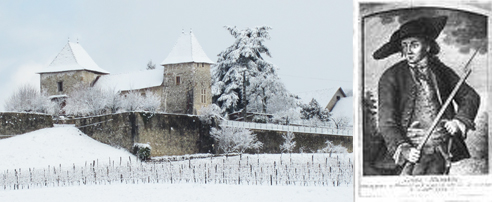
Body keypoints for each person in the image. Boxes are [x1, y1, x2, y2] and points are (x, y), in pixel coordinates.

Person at [373, 16, 480, 175]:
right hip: (409, 156)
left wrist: (459, 121)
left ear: (428, 46)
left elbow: (470, 96)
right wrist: (404, 148)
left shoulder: (441, 71)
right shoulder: (390, 76)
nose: (408, 51)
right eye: (404, 45)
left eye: (414, 45)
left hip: (441, 151)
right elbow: (386, 121)